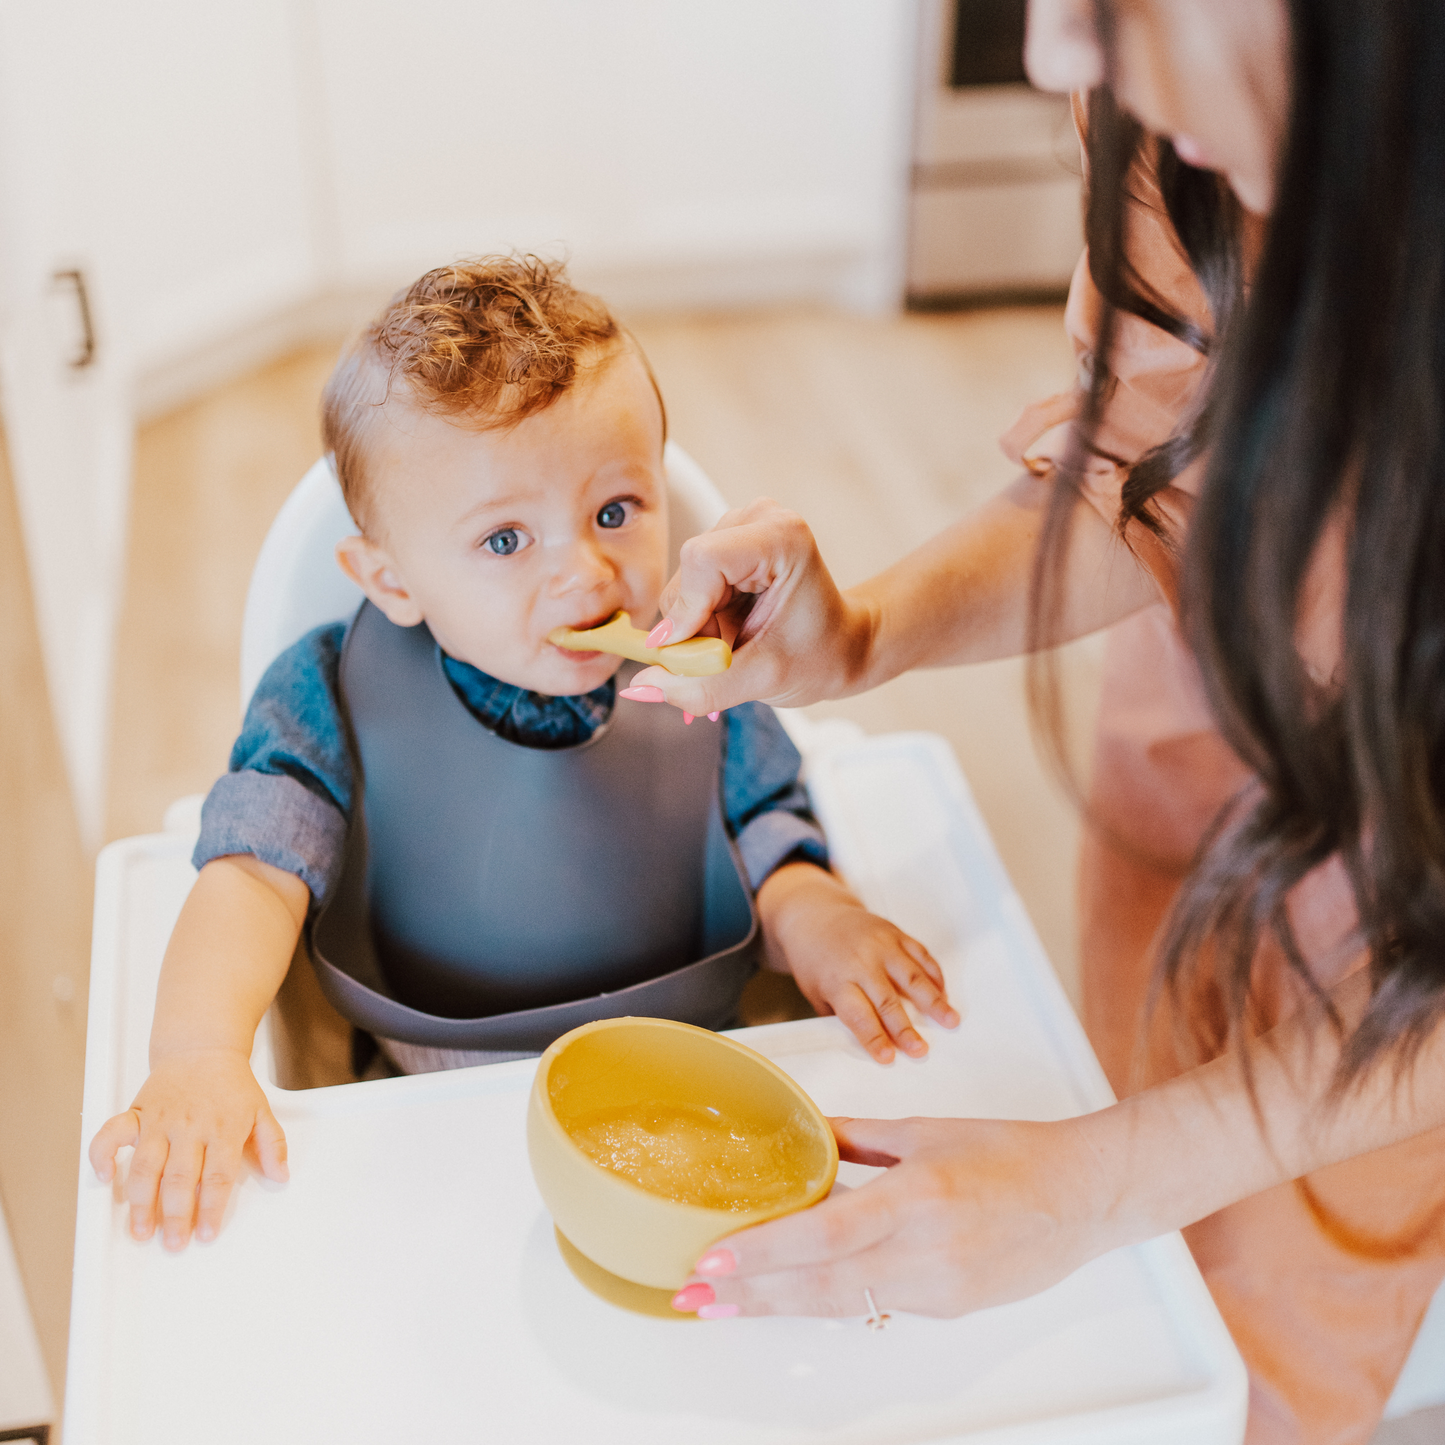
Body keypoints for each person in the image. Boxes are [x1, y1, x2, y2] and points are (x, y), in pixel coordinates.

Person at [641, 2, 1445, 1441]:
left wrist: (1094, 1181)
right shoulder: (1171, 116)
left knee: (1252, 1349)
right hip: (1204, 769)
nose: (1057, 57)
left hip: (1399, 983)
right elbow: (1142, 477)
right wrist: (869, 630)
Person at [87, 257, 959, 1254]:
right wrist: (197, 1051)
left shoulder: (703, 669)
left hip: (682, 1101)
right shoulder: (329, 693)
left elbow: (764, 830)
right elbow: (252, 873)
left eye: (615, 511)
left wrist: (824, 917)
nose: (584, 574)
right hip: (436, 1107)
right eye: (505, 541)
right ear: (389, 577)